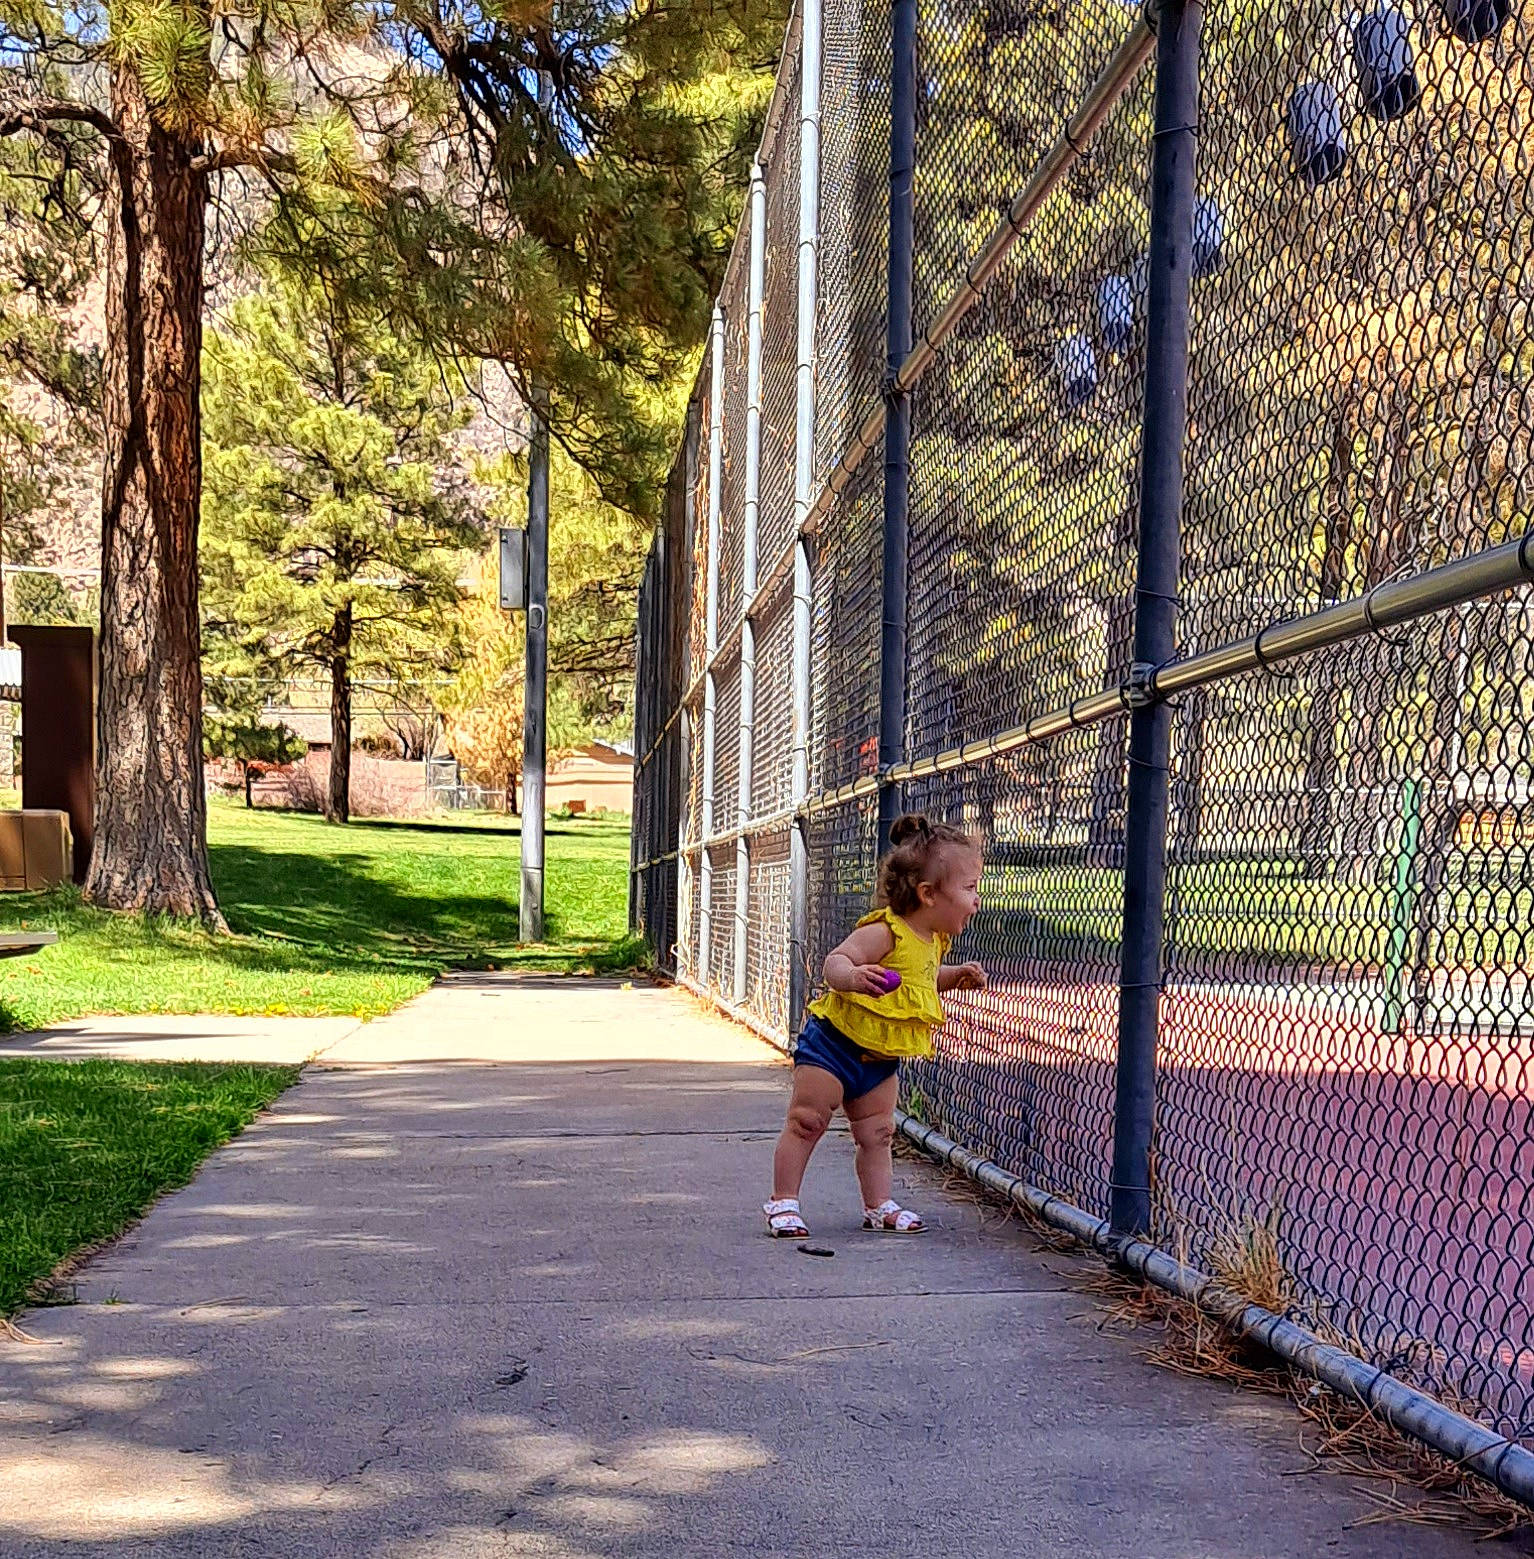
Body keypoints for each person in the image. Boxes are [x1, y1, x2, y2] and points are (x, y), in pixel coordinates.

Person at [763, 813, 986, 1238]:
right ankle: (783, 1202)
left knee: (879, 1133)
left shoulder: (934, 941)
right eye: (970, 888)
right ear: (928, 894)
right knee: (808, 1120)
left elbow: (918, 980)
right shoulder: (886, 931)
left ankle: (877, 1204)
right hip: (833, 1046)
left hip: (880, 1060)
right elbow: (836, 962)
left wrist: (953, 976)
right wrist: (852, 978)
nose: (977, 899)